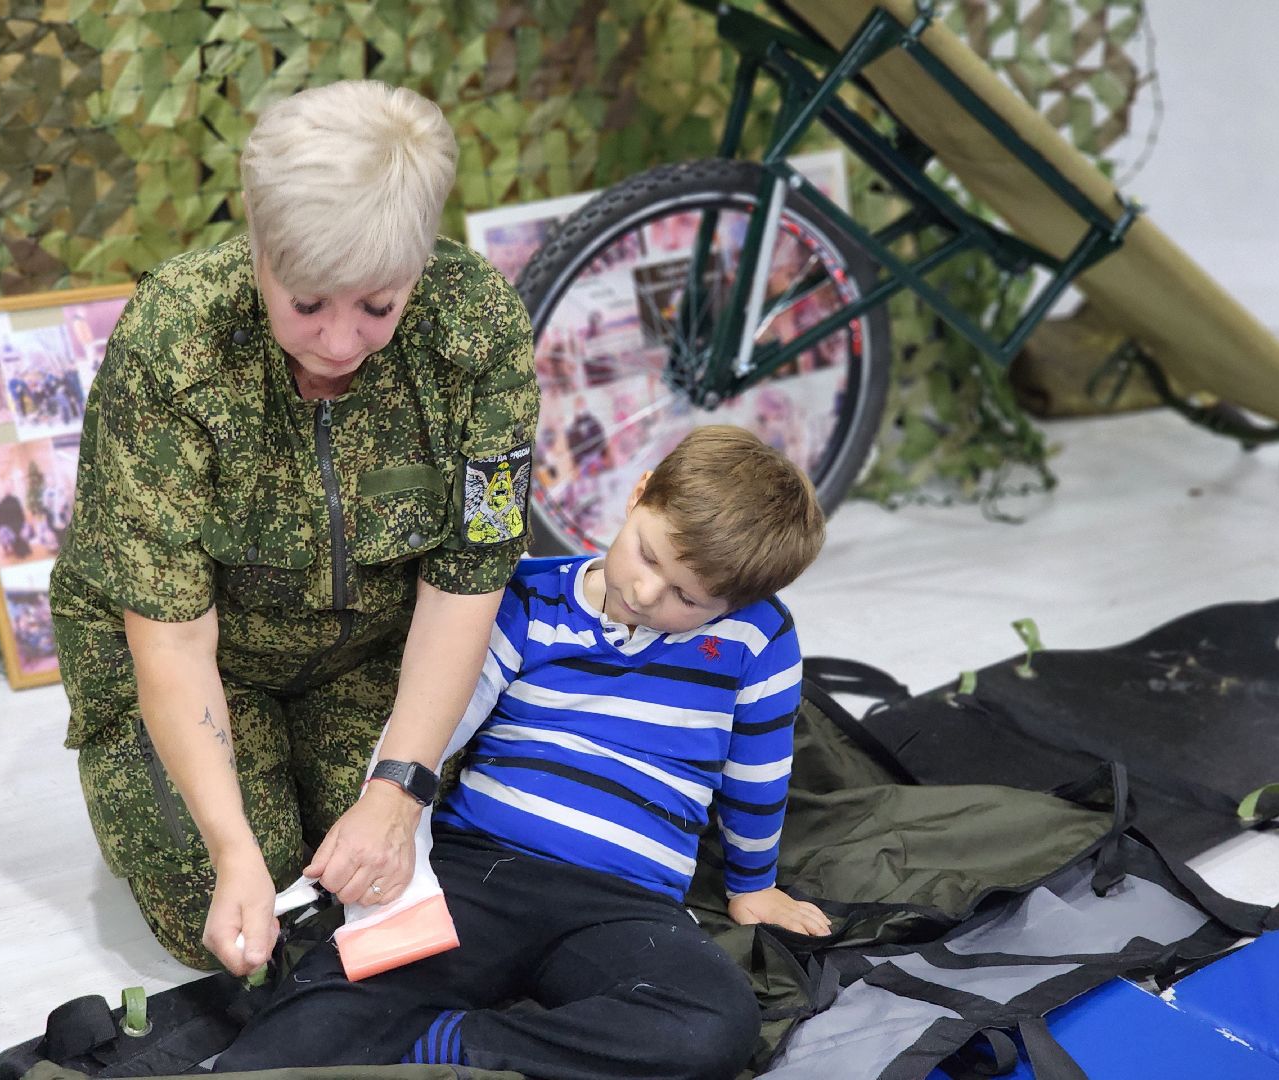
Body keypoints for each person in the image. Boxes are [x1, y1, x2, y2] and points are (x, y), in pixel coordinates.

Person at [47, 80, 540, 975]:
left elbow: (470, 575)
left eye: (378, 308)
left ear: (420, 266)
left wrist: (398, 789)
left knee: (422, 879)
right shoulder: (175, 341)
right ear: (262, 247)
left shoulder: (477, 331)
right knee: (238, 900)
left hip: (367, 654)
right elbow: (173, 634)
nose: (341, 343)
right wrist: (234, 851)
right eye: (308, 303)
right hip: (196, 657)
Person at [214, 425, 830, 1080]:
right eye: (648, 557)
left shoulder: (760, 636)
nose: (649, 595)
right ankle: (432, 1039)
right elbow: (434, 724)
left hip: (627, 903)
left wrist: (753, 885)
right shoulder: (531, 596)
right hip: (479, 875)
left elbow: (758, 773)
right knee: (313, 1016)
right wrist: (387, 819)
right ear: (639, 494)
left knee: (714, 1027)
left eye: (689, 598)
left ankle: (449, 1044)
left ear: (738, 601)